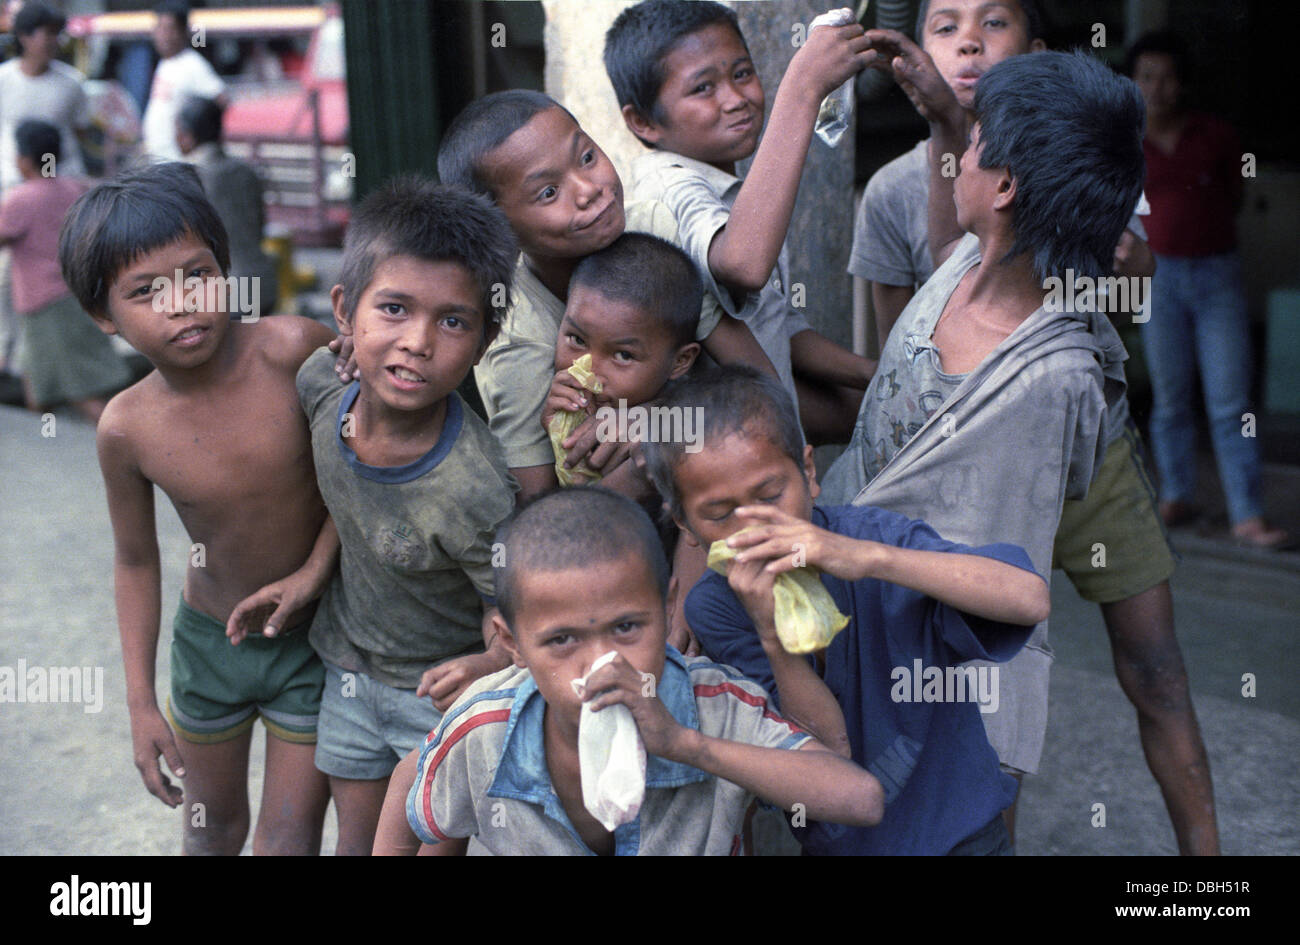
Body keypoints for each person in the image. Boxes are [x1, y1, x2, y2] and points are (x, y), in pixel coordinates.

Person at [835, 3, 1219, 854]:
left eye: (993, 23)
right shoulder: (954, 224)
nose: (968, 42)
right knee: (952, 704)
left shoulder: (1080, 176)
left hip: (1067, 468)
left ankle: (1207, 881)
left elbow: (1000, 606)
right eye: (947, 24)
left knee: (1132, 670)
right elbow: (912, 337)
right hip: (953, 495)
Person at [640, 367, 1047, 854]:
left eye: (771, 496)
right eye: (721, 515)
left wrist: (867, 558)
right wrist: (773, 635)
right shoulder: (717, 606)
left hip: (962, 832)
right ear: (685, 525)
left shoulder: (869, 536)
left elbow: (1029, 599)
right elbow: (826, 752)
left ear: (808, 473)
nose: (756, 526)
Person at [59, 161, 335, 854]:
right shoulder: (126, 427)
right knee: (212, 831)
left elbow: (368, 473)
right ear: (102, 315)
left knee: (287, 837)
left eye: (196, 273)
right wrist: (140, 701)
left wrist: (315, 572)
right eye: (146, 291)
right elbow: (134, 558)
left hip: (317, 635)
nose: (180, 301)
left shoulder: (295, 350)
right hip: (211, 644)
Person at [372, 486, 885, 856]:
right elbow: (417, 794)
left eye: (626, 628)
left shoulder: (719, 707)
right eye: (561, 639)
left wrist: (686, 745)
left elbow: (860, 800)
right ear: (512, 644)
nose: (602, 661)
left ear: (667, 611)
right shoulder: (484, 727)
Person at [259, 178, 519, 855]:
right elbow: (350, 505)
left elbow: (515, 606)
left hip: (437, 697)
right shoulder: (323, 385)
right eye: (395, 309)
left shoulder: (475, 485)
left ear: (485, 340)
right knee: (358, 844)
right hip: (347, 670)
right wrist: (312, 573)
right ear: (345, 310)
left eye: (453, 321)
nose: (417, 341)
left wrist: (487, 662)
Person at [438, 89, 776, 504]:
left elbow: (764, 390)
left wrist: (657, 424)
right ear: (500, 231)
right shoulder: (516, 337)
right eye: (548, 193)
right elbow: (541, 515)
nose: (588, 190)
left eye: (586, 158)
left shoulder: (652, 228)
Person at [606, 0, 877, 444]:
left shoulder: (724, 186)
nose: (736, 100)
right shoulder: (668, 189)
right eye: (702, 89)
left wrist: (876, 375)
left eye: (742, 74)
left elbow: (773, 323)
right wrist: (803, 89)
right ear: (643, 121)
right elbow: (745, 265)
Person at [1127, 31, 1288, 550]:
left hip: (1217, 275)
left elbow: (1233, 195)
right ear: (1132, 82)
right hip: (1159, 278)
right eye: (1146, 76)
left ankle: (1247, 514)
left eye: (1168, 76)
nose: (1158, 87)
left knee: (1229, 402)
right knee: (1170, 399)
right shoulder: (1124, 140)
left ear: (1184, 83)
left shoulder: (1216, 135)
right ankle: (1176, 495)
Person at [540, 231, 701, 496]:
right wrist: (560, 437)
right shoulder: (557, 399)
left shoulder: (689, 428)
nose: (590, 372)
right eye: (577, 339)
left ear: (680, 362)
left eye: (623, 356)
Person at [0, 120, 129, 422]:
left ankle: (125, 440)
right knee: (37, 379)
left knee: (80, 391)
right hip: (77, 293)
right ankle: (46, 445)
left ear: (24, 159)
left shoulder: (21, 198)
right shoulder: (75, 188)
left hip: (45, 303)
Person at [0, 1, 90, 375]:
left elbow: (82, 133)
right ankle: (13, 354)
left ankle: (63, 359)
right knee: (7, 278)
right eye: (46, 33)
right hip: (13, 189)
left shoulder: (71, 84)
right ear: (24, 37)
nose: (54, 41)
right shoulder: (4, 80)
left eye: (57, 33)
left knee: (61, 272)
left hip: (56, 194)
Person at [176, 95, 278, 316]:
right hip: (264, 282)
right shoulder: (246, 172)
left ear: (187, 135)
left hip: (227, 296)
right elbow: (259, 229)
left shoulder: (189, 181)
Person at [142, 0, 225, 162]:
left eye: (169, 29)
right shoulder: (165, 63)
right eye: (159, 28)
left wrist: (196, 140)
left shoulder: (192, 63)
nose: (162, 35)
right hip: (159, 161)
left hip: (179, 164)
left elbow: (221, 100)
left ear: (182, 32)